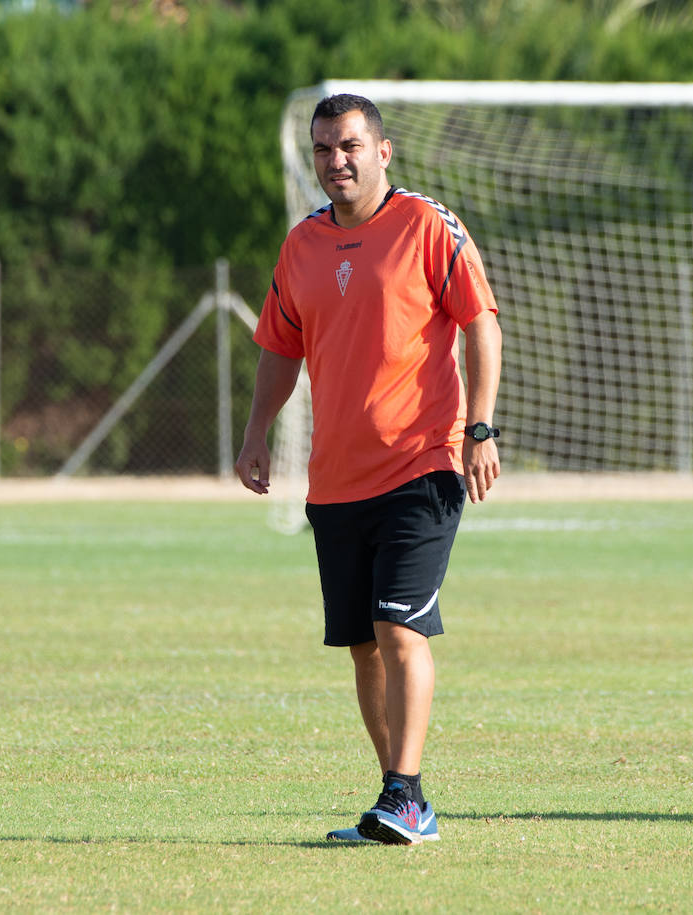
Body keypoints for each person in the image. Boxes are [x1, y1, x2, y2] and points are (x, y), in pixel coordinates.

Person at [235, 95, 502, 844]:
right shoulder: (301, 246)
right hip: (336, 478)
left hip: (423, 463)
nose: (336, 161)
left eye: (349, 145)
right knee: (361, 643)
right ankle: (400, 797)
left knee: (397, 627)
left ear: (383, 151)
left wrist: (480, 427)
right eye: (323, 149)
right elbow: (280, 348)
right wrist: (257, 431)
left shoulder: (426, 224)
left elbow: (481, 322)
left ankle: (406, 793)